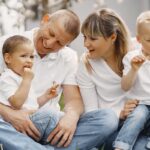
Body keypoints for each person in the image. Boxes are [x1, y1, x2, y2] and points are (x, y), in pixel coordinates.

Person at [0, 9, 117, 150]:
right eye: (51, 33)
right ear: (45, 20)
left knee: (108, 118)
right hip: (13, 126)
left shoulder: (68, 57)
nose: (49, 43)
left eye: (59, 43)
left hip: (51, 127)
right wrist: (10, 114)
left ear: (67, 44)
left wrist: (71, 118)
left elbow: (73, 99)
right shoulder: (8, 44)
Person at [76, 8, 130, 150]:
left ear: (113, 37)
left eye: (93, 38)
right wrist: (120, 114)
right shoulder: (86, 64)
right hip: (108, 125)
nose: (86, 44)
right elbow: (92, 112)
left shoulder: (135, 54)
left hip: (137, 121)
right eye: (84, 37)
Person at [0, 35, 61, 144]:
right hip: (20, 125)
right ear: (8, 58)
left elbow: (32, 104)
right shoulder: (7, 78)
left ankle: (49, 141)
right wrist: (27, 80)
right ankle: (51, 141)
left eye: (31, 57)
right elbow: (16, 104)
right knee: (51, 114)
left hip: (31, 118)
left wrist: (46, 97)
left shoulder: (22, 77)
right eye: (23, 56)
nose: (29, 61)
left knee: (61, 116)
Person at [104, 11, 150, 150]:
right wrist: (134, 69)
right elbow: (125, 86)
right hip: (141, 103)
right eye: (149, 40)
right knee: (138, 117)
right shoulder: (132, 58)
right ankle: (121, 146)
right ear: (139, 39)